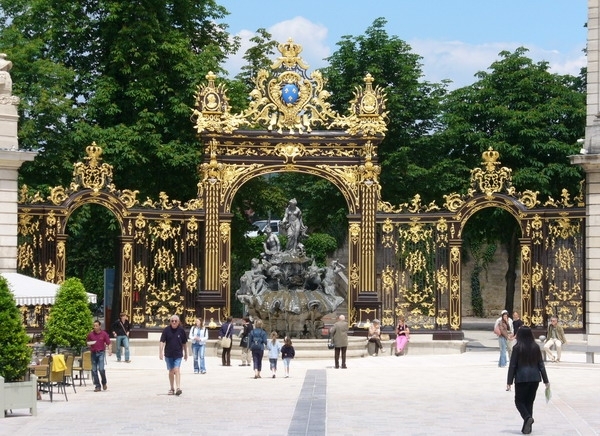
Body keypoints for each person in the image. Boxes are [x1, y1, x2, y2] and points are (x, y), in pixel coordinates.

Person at [506, 326, 550, 434]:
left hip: (522, 378)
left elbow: (513, 366)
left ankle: (527, 418)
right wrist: (546, 380)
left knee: (519, 401)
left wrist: (509, 382)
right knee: (529, 402)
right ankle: (527, 428)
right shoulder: (535, 347)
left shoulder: (517, 348)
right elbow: (541, 365)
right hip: (535, 378)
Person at [159, 314, 188, 396]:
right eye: (172, 321)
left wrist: (186, 353)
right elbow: (162, 341)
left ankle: (178, 388)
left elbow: (184, 343)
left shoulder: (181, 330)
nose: (174, 322)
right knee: (171, 371)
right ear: (170, 322)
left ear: (178, 322)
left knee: (177, 370)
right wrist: (160, 352)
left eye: (176, 321)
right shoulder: (166, 330)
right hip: (168, 354)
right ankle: (172, 388)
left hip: (178, 354)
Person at [87, 320, 112, 392]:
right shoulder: (91, 334)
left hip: (101, 353)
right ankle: (97, 386)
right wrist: (89, 344)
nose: (95, 327)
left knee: (101, 369)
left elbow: (109, 343)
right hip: (93, 353)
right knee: (94, 370)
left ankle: (104, 382)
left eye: (96, 326)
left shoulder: (104, 334)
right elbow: (88, 342)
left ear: (100, 326)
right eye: (94, 326)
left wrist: (110, 350)